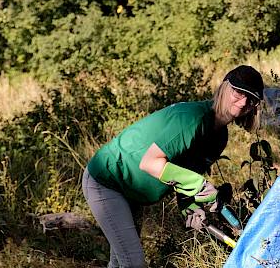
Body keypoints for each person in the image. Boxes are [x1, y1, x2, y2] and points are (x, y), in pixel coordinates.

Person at [83, 65, 264, 267]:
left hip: (132, 190)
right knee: (132, 262)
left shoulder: (219, 137)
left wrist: (190, 207)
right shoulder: (191, 118)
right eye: (238, 92)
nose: (243, 103)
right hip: (109, 180)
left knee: (120, 261)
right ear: (223, 87)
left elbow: (185, 175)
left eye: (252, 99)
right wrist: (201, 185)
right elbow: (150, 162)